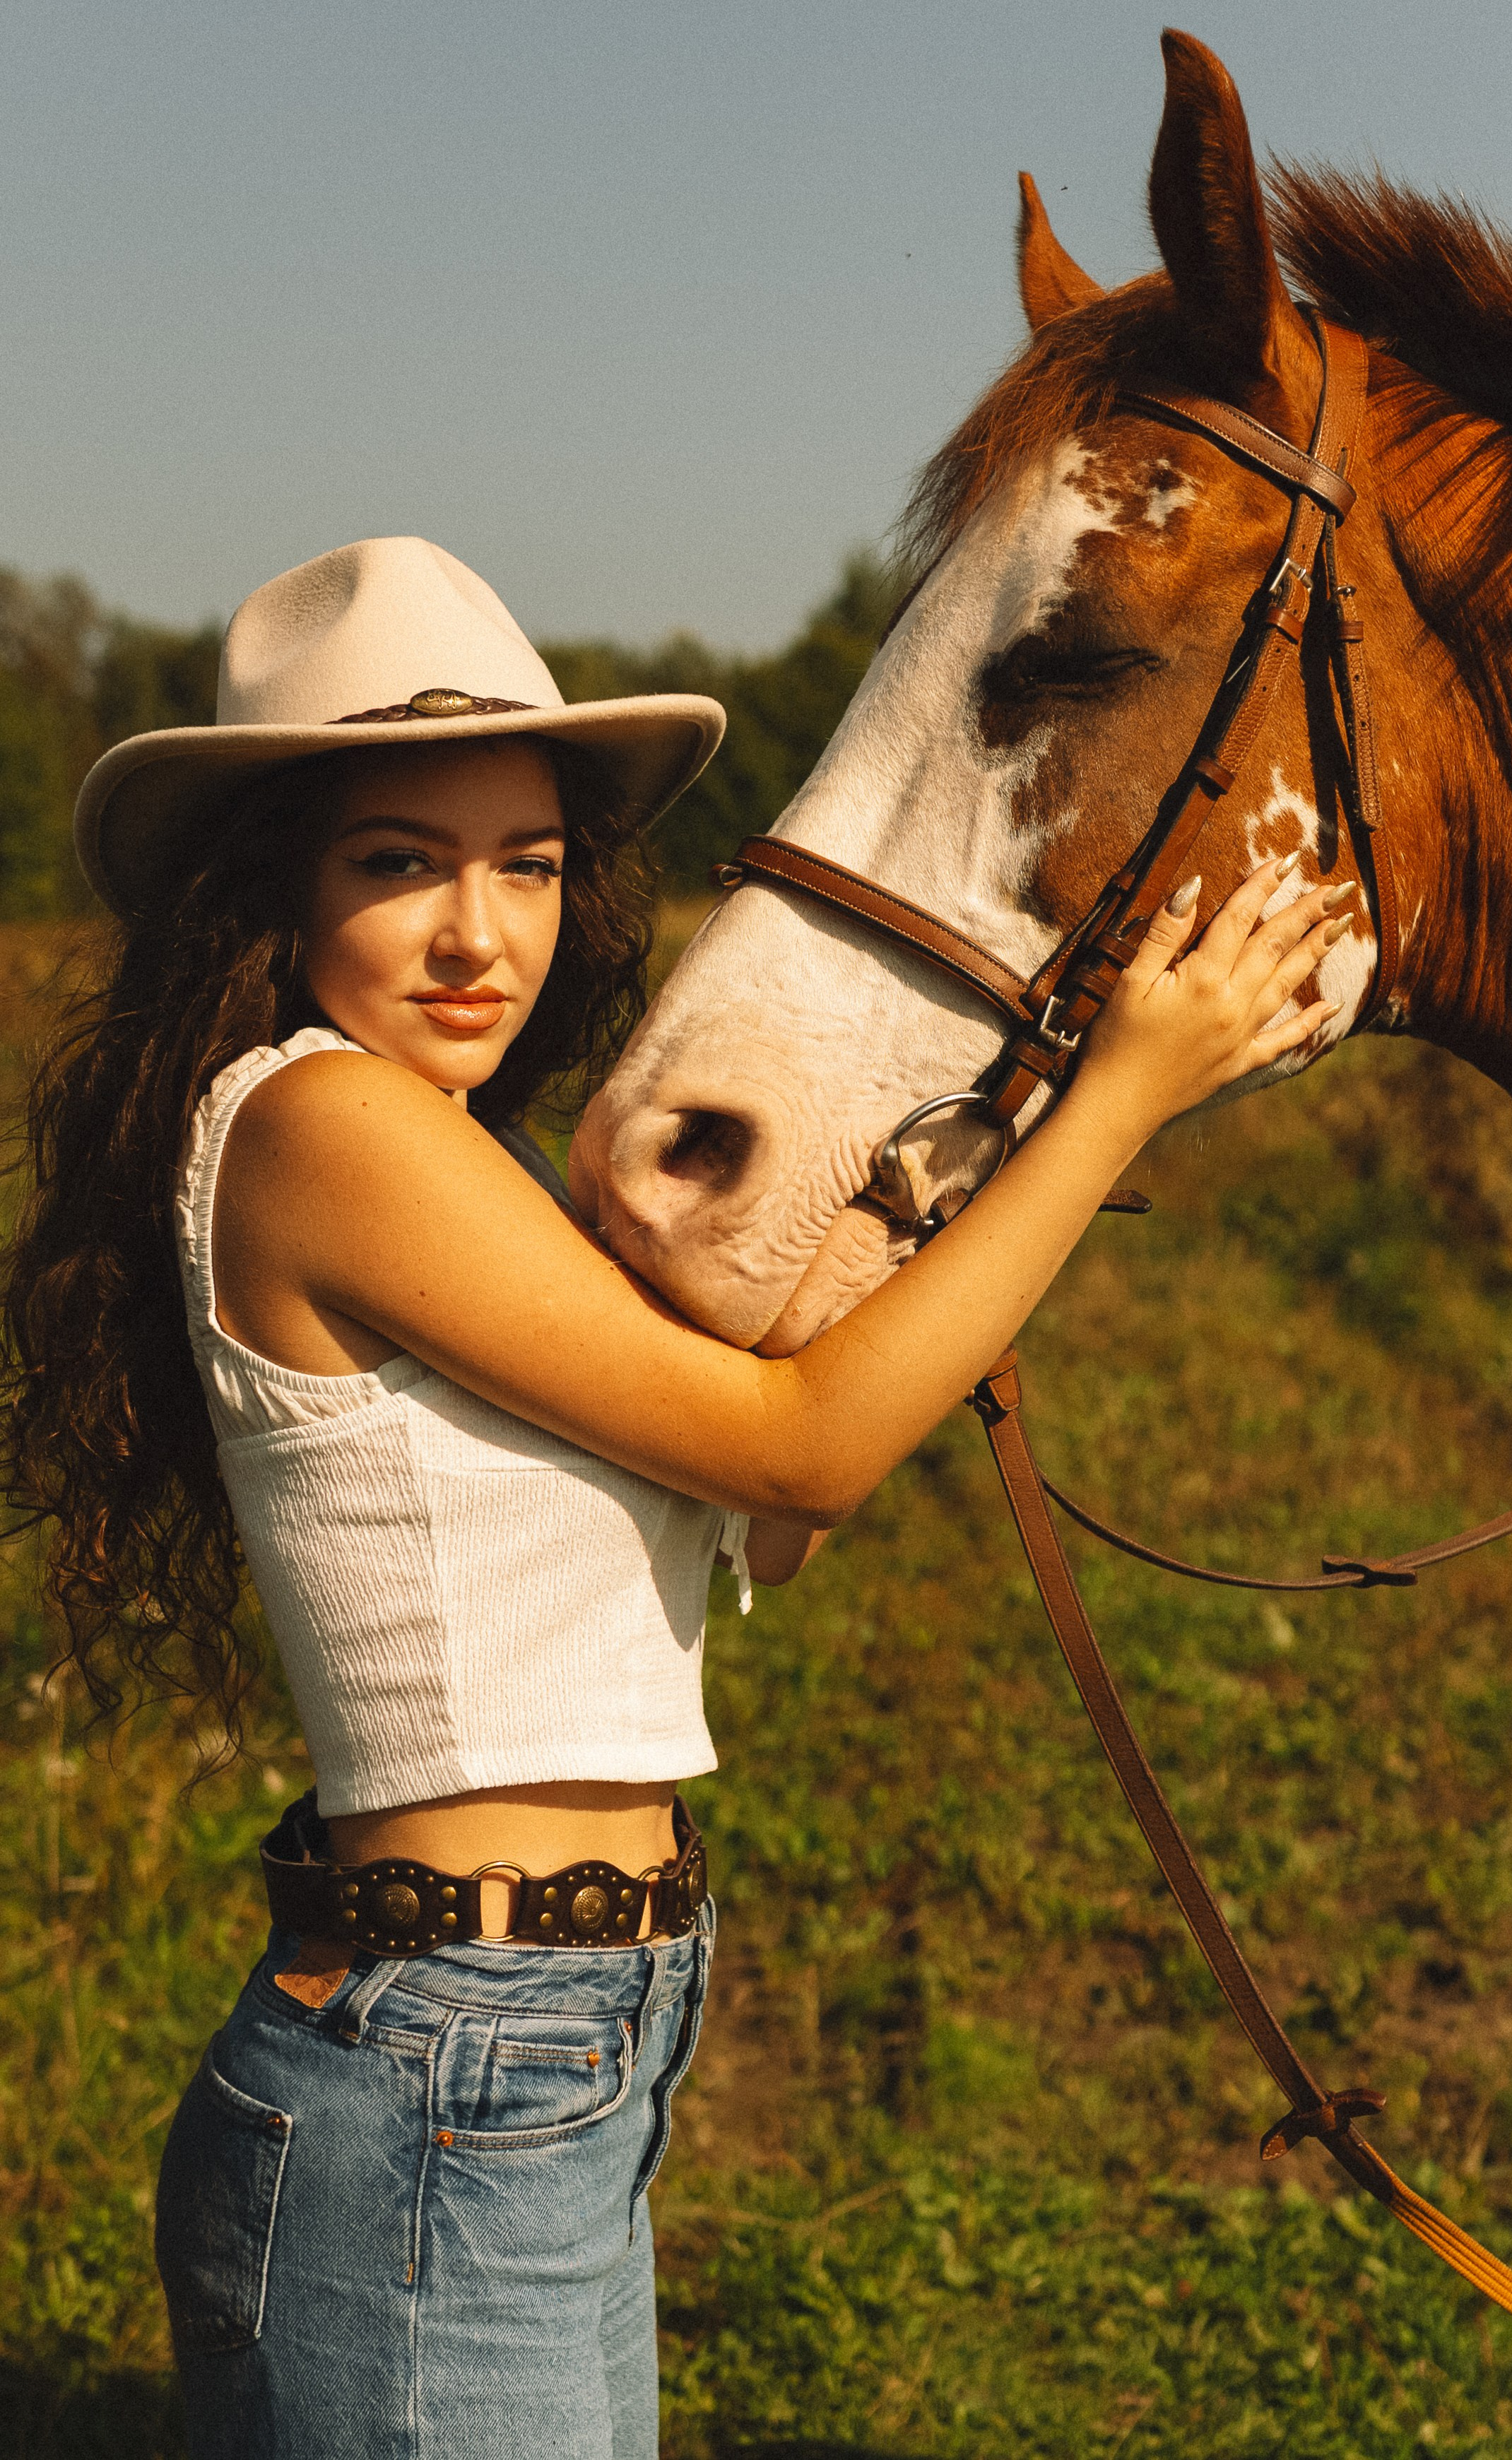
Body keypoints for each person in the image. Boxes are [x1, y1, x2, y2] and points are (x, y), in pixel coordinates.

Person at [3, 534, 1345, 2460]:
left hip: (541, 2046)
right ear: (276, 883)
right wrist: (1123, 1096)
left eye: (527, 865)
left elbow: (779, 1514)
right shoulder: (321, 1122)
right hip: (449, 2058)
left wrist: (1000, 1139)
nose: (481, 931)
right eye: (400, 861)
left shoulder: (481, 1172)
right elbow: (796, 1443)